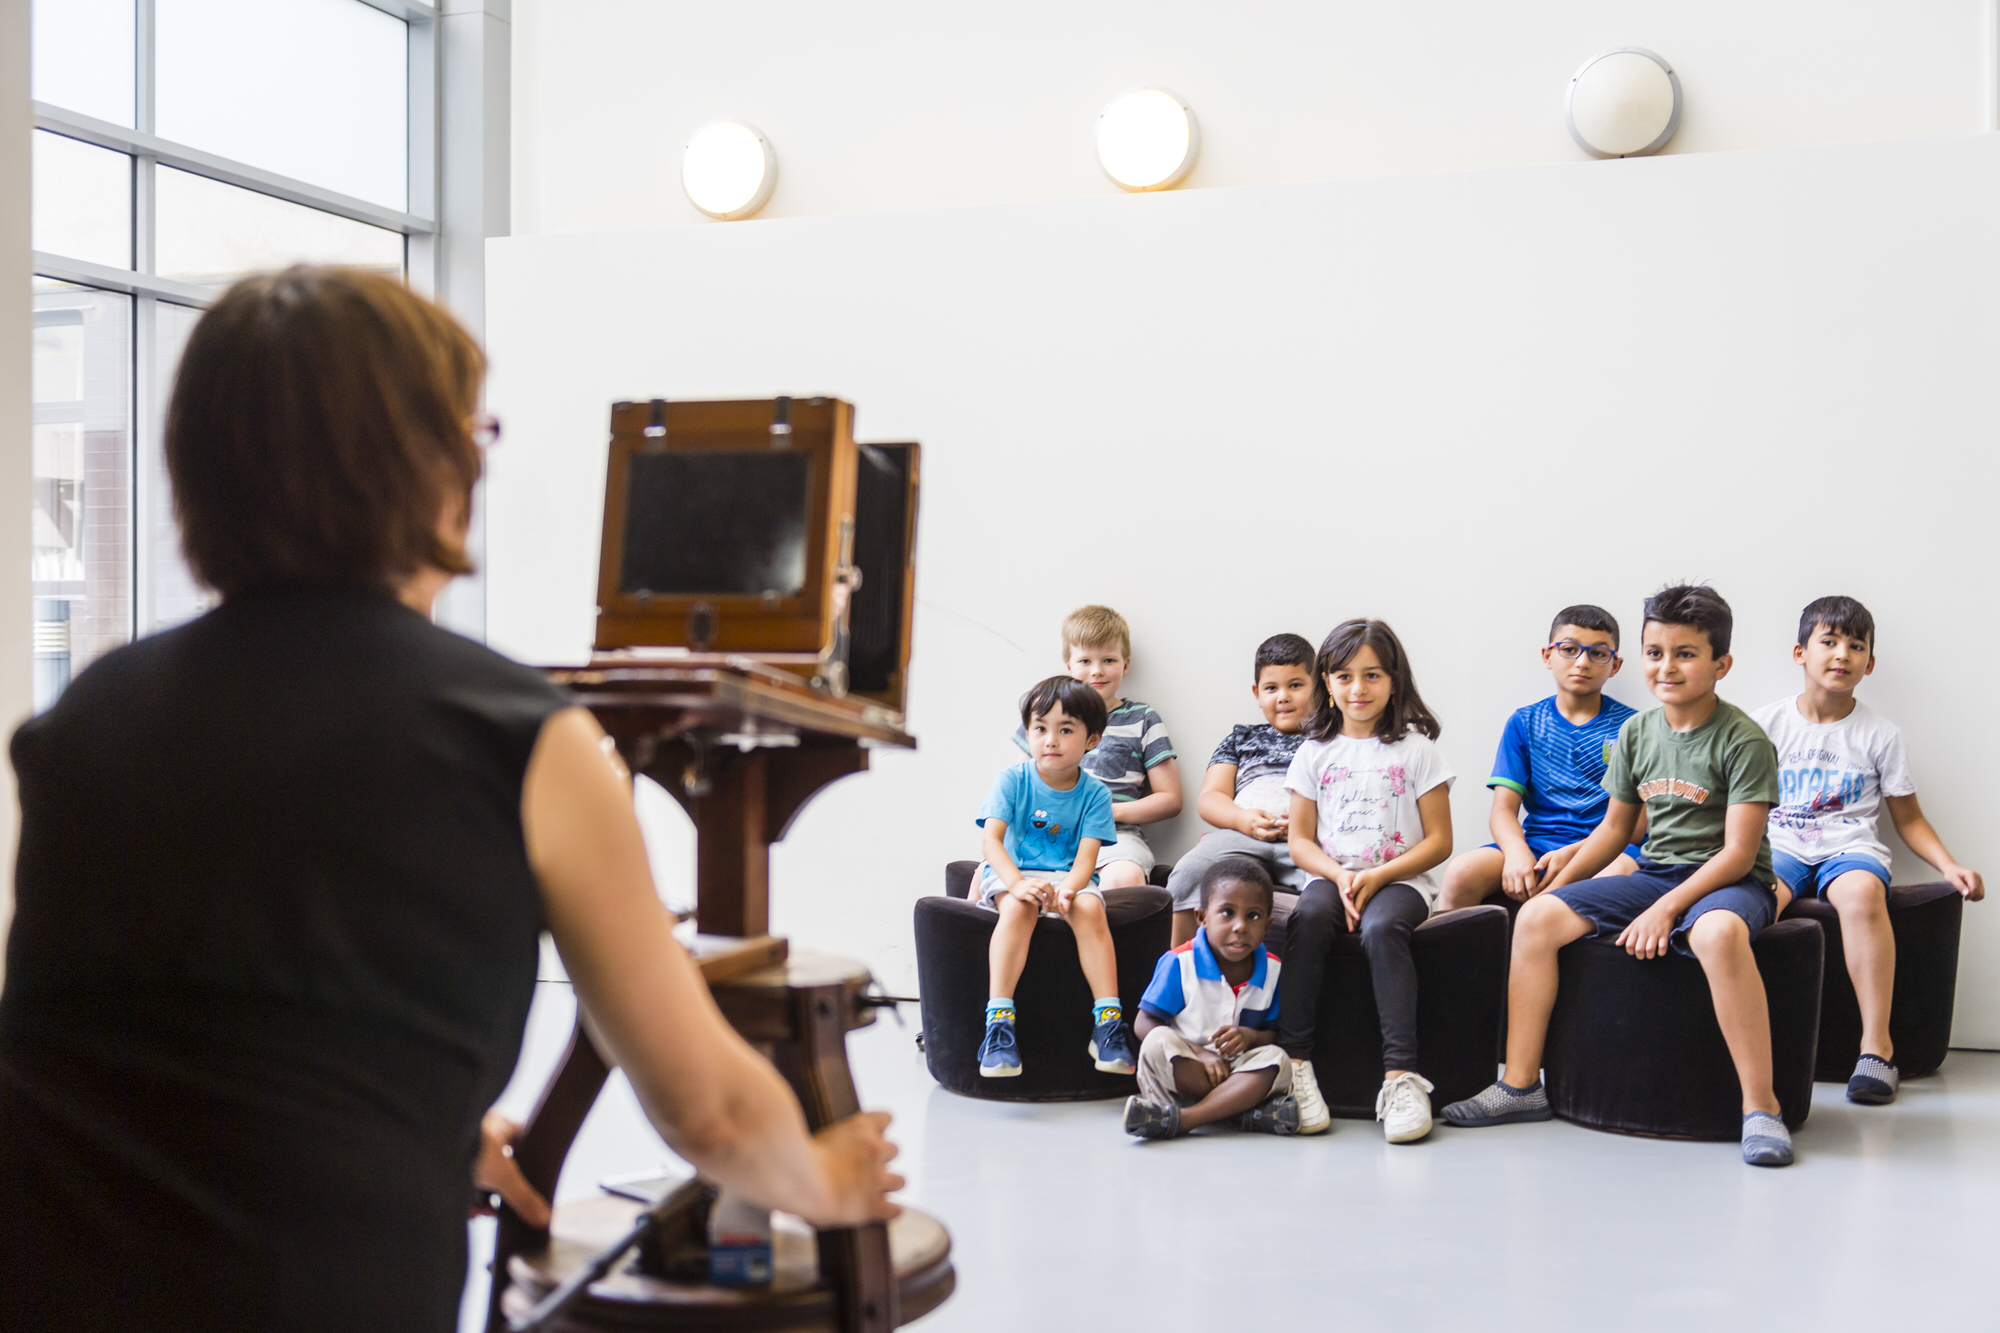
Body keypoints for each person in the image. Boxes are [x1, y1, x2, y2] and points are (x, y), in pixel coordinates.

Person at [0, 267, 901, 1333]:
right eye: (476, 430)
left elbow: (154, 1024)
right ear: (429, 463)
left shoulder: (91, 713)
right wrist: (825, 1180)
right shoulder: (521, 738)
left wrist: (402, 1114)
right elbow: (706, 1106)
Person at [1444, 584, 1795, 1167]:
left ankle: (1761, 1107)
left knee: (1715, 933)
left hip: (1732, 882)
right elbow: (1613, 832)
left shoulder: (1744, 740)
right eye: (1656, 652)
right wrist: (1558, 891)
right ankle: (1522, 1084)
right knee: (1536, 919)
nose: (1667, 666)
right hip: (1656, 871)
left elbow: (1738, 853)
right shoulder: (1636, 735)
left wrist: (1665, 909)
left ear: (1720, 665)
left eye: (1686, 653)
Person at [1751, 595, 1984, 1105]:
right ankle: (1757, 1048)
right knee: (1756, 903)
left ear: (1869, 663)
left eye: (1856, 646)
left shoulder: (1881, 734)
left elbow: (1910, 817)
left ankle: (1876, 1047)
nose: (1842, 654)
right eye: (1829, 642)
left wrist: (1949, 865)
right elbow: (1738, 805)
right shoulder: (1763, 725)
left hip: (1848, 848)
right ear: (1800, 653)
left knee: (1860, 896)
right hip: (1781, 845)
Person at [1280, 620, 1456, 1143]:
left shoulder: (1416, 749)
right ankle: (1295, 1071)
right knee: (1308, 918)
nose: (1358, 689)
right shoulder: (1313, 751)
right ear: (1326, 683)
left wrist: (1377, 876)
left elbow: (1440, 841)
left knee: (1381, 931)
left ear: (1395, 680)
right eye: (1344, 676)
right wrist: (1338, 876)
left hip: (1401, 880)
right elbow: (1300, 842)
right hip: (1332, 878)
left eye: (1372, 675)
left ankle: (1401, 1078)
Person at [976, 676, 1136, 1079]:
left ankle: (1108, 1022)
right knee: (1019, 907)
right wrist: (1016, 884)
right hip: (1011, 874)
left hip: (1067, 878)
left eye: (1066, 730)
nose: (1051, 739)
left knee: (1089, 909)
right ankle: (998, 1023)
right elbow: (992, 843)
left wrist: (1068, 889)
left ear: (1092, 740)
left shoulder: (1096, 794)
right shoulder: (1011, 780)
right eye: (1040, 728)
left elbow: (1086, 860)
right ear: (1026, 733)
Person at [1438, 605, 1644, 910]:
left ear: (1615, 665)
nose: (1582, 662)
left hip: (1612, 849)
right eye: (1570, 649)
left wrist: (1575, 853)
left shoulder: (1635, 728)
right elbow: (1503, 810)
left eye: (1598, 653)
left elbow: (1635, 827)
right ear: (1548, 655)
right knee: (1460, 872)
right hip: (1537, 845)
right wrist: (1516, 850)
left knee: (1617, 875)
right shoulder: (1524, 723)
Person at [1011, 606, 1181, 891]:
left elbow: (1170, 799)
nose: (1097, 671)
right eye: (1085, 660)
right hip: (1048, 830)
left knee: (1124, 877)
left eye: (1109, 660)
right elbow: (1020, 781)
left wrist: (1108, 812)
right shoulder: (1045, 713)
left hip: (1114, 836)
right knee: (989, 873)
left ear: (1126, 665)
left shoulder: (1142, 718)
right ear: (1069, 665)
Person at [1162, 634, 1316, 947]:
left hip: (1308, 838)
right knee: (1189, 872)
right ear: (1257, 693)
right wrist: (1242, 820)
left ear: (1319, 687)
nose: (1283, 697)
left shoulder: (1331, 740)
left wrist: (1308, 823)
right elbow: (1210, 798)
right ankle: (1177, 969)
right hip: (1242, 834)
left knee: (1327, 892)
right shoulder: (1241, 739)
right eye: (1272, 688)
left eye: (1296, 685)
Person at [1123, 861, 1297, 1139]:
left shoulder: (1273, 970)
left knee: (1279, 1059)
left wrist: (1250, 1037)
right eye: (1227, 913)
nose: (1240, 926)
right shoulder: (1181, 962)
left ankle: (1185, 1119)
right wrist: (1201, 1054)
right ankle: (1240, 1113)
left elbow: (1272, 1034)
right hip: (1188, 1067)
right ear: (1202, 917)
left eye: (1253, 916)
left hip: (1237, 1071)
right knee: (1156, 1044)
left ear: (1267, 924)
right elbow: (1144, 1023)